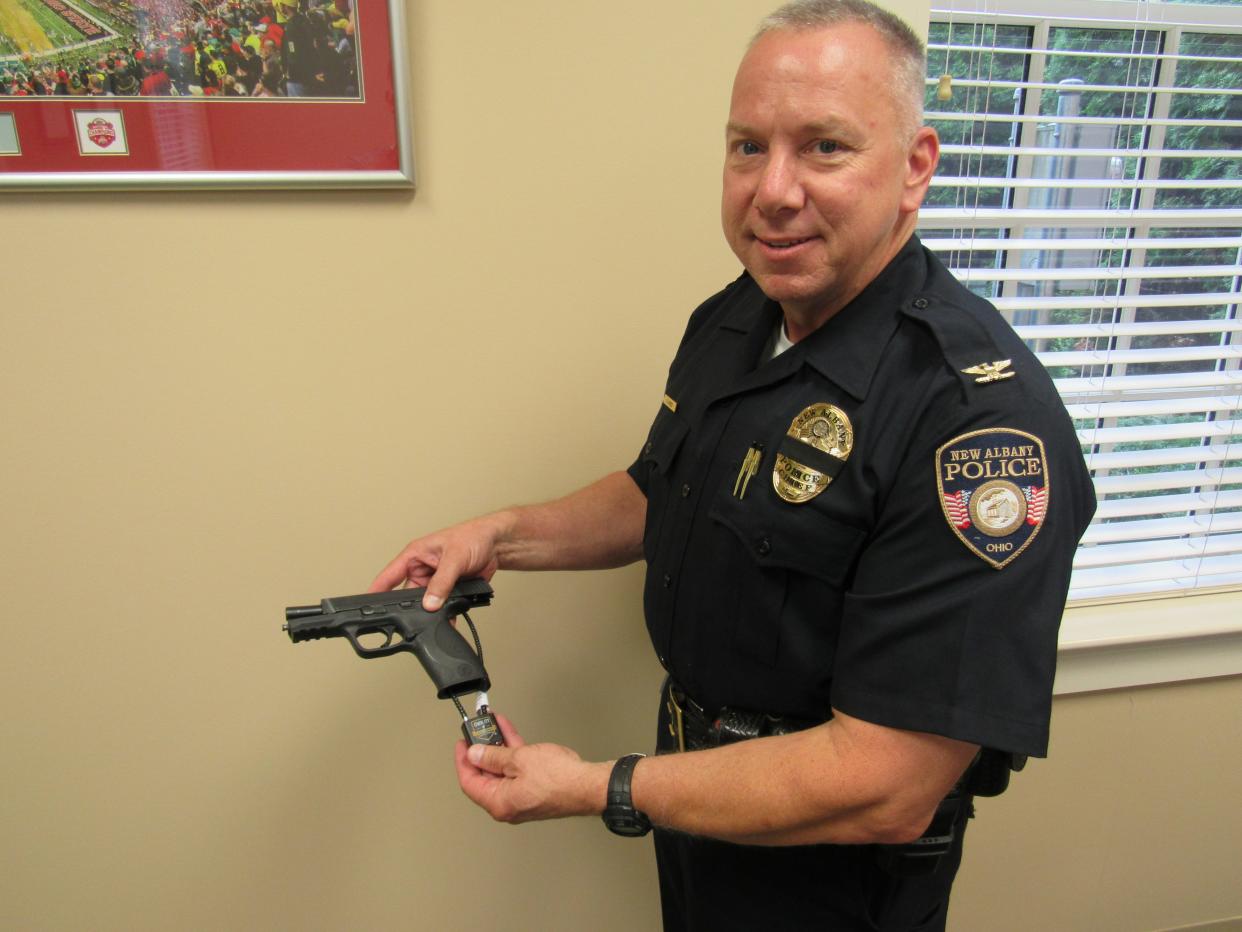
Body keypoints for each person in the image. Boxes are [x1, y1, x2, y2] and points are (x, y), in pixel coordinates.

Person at [370, 1, 1096, 929]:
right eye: (748, 147)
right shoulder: (739, 316)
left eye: (824, 147)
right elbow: (661, 490)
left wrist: (599, 786)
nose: (774, 191)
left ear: (915, 169)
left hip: (837, 876)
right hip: (701, 804)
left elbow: (887, 783)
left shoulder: (977, 427)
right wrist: (500, 538)